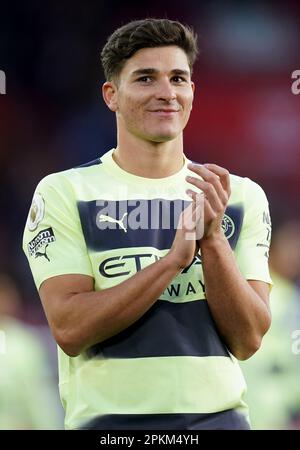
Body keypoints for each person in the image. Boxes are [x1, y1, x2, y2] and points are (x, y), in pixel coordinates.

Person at [22, 18, 272, 430]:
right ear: (111, 95)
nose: (166, 93)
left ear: (192, 91)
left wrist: (212, 241)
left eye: (178, 78)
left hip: (218, 423)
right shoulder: (65, 192)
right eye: (145, 79)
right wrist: (171, 262)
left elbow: (248, 340)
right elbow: (70, 327)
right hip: (111, 429)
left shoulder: (237, 195)